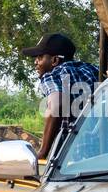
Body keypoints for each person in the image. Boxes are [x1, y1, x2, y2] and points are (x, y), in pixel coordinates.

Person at [22, 32, 98, 160]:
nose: (35, 62)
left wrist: (42, 153)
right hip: (106, 153)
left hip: (76, 158)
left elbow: (57, 105)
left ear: (55, 60)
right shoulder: (92, 69)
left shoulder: (53, 75)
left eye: (40, 57)